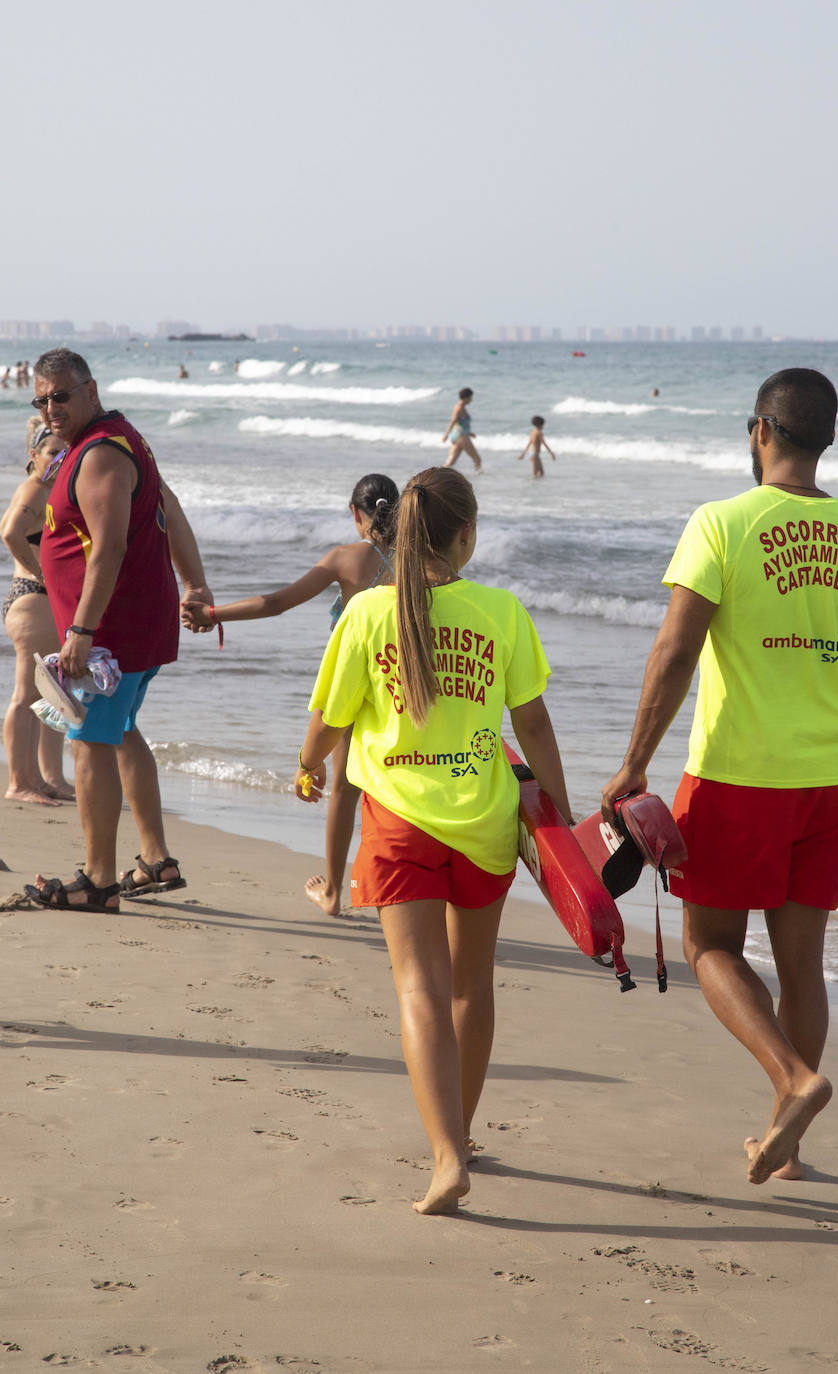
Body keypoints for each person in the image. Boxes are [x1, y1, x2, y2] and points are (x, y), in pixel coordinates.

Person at [601, 368, 838, 1186]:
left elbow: (675, 650)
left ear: (759, 431)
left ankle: (793, 1081)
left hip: (738, 777)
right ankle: (787, 1142)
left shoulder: (721, 523)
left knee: (709, 942)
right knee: (800, 964)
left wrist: (635, 760)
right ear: (827, 440)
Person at [295, 466, 570, 1213]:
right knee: (471, 985)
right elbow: (533, 724)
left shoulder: (365, 615)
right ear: (467, 534)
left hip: (397, 822)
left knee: (418, 986)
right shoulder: (501, 611)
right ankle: (463, 1131)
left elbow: (331, 717)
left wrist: (305, 765)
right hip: (483, 821)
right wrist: (560, 813)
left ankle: (446, 1154)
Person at [25, 348, 213, 913]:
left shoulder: (103, 454)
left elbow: (108, 547)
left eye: (61, 395)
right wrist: (195, 584)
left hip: (110, 632)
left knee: (90, 741)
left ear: (91, 389)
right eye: (42, 399)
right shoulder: (113, 438)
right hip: (133, 623)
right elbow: (169, 505)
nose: (52, 407)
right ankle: (156, 859)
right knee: (122, 731)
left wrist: (81, 630)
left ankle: (99, 881)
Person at [181, 473, 399, 918]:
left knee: (343, 788)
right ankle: (403, 883)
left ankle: (336, 892)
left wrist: (214, 614)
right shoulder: (418, 563)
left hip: (352, 685)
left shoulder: (344, 559)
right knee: (398, 786)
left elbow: (277, 602)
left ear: (356, 515)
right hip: (400, 684)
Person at [0, 418, 75, 804]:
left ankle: (48, 779)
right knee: (28, 694)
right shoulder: (35, 487)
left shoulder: (49, 489)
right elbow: (9, 530)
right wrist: (37, 570)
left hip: (41, 600)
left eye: (66, 453)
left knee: (50, 694)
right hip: (32, 598)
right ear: (33, 455)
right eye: (51, 453)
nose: (60, 459)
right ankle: (19, 783)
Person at [443, 387, 482, 472]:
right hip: (461, 436)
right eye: (471, 397)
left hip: (458, 435)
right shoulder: (459, 408)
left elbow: (460, 423)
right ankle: (479, 479)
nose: (471, 400)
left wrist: (470, 433)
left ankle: (437, 476)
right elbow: (453, 421)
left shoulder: (459, 407)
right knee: (477, 459)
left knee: (450, 462)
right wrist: (446, 435)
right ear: (466, 397)